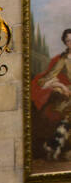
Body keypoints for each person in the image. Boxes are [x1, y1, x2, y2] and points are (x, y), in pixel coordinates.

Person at [31, 28, 71, 157]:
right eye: (68, 41)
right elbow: (48, 77)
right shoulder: (63, 59)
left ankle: (53, 144)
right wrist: (60, 85)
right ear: (65, 43)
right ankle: (55, 145)